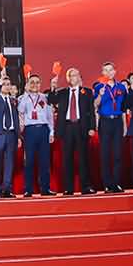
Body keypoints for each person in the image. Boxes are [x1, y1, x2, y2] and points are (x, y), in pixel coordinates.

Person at [52, 66, 95, 194]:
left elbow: (91, 111)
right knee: (67, 159)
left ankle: (85, 187)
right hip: (67, 128)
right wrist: (53, 87)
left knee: (83, 159)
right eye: (71, 75)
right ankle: (68, 188)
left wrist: (92, 127)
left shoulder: (87, 92)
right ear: (68, 78)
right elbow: (51, 100)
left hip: (81, 127)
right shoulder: (62, 93)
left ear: (79, 77)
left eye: (75, 75)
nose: (73, 77)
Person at [91, 62, 128, 192]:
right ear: (103, 73)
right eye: (105, 70)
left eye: (110, 70)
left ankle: (116, 183)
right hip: (105, 122)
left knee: (118, 154)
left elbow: (124, 108)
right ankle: (107, 184)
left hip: (117, 122)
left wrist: (125, 125)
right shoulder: (99, 87)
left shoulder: (121, 87)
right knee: (105, 154)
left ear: (114, 71)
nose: (108, 72)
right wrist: (100, 95)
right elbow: (94, 105)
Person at [19, 73, 53, 196]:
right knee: (29, 161)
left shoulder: (44, 97)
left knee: (44, 160)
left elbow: (49, 116)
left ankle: (45, 188)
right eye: (32, 82)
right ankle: (28, 189)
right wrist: (26, 93)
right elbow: (20, 110)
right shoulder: (23, 98)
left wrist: (51, 131)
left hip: (43, 130)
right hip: (30, 131)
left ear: (40, 84)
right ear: (28, 84)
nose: (34, 85)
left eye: (37, 82)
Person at [0, 69, 20, 197]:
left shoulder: (13, 100)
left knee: (9, 162)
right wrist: (0, 80)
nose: (7, 86)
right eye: (4, 84)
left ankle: (7, 188)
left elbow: (16, 118)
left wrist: (18, 136)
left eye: (8, 84)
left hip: (12, 134)